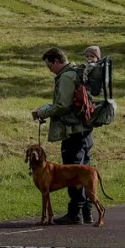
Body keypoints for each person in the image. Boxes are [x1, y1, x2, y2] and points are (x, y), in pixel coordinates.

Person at [31, 46, 94, 225]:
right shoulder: (75, 71)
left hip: (73, 131)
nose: (49, 70)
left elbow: (63, 106)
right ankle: (87, 212)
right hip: (85, 129)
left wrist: (42, 113)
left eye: (49, 66)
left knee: (71, 173)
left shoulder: (66, 77)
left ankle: (75, 213)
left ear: (56, 61)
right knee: (83, 171)